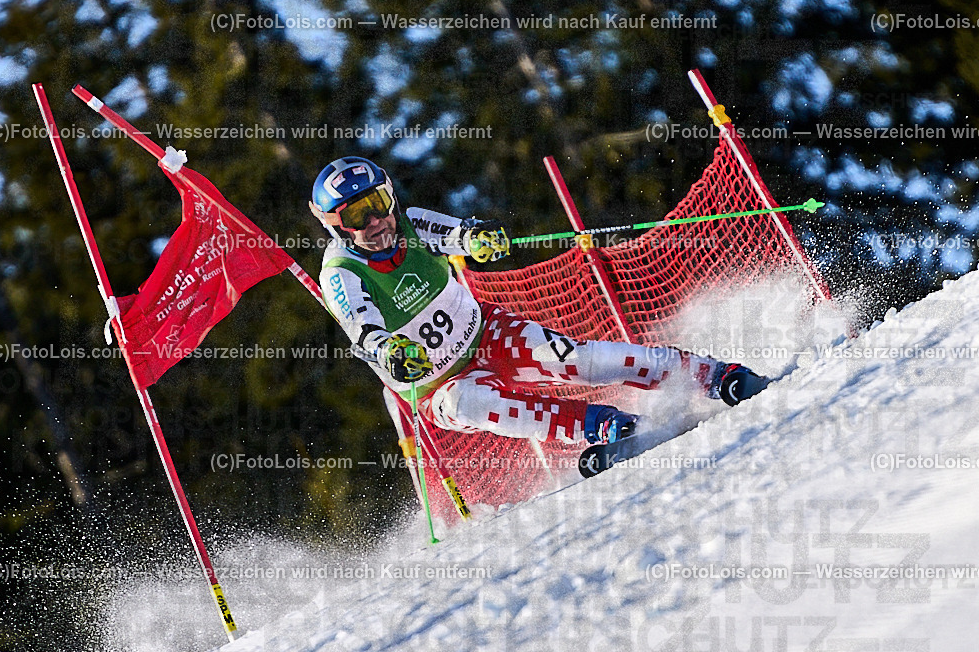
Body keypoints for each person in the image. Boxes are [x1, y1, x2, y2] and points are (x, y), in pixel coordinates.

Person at [309, 156, 768, 476]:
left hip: (485, 334)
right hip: (436, 386)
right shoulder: (341, 272)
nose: (375, 222)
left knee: (575, 359)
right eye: (356, 216)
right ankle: (605, 425)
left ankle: (711, 375)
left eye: (377, 204)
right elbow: (363, 331)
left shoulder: (410, 221)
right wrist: (390, 351)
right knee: (478, 405)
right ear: (335, 226)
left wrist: (478, 239)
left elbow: (456, 234)